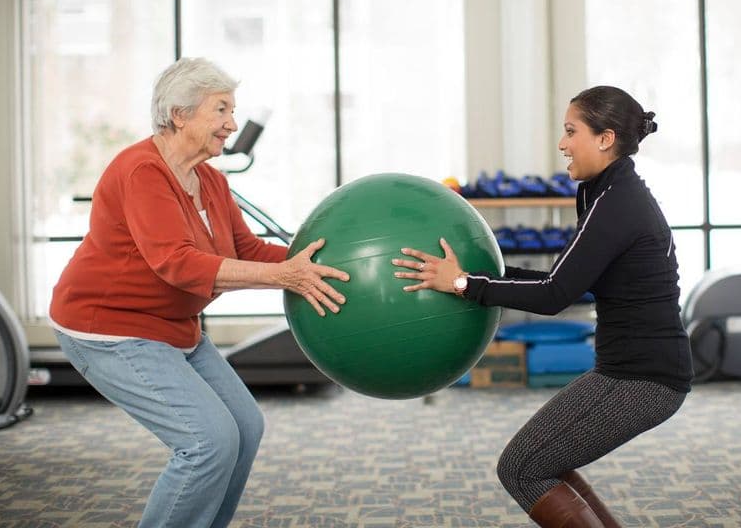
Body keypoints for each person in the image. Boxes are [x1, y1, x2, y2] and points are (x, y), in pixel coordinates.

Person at [49, 57, 349, 528]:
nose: (232, 124)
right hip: (110, 327)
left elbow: (246, 248)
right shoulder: (141, 172)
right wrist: (284, 278)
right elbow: (178, 264)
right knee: (207, 442)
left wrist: (311, 261)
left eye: (232, 111)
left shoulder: (210, 178)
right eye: (221, 110)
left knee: (245, 429)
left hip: (174, 329)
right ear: (180, 115)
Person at [393, 85, 692, 528]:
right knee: (543, 462)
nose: (562, 144)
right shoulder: (603, 191)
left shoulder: (617, 203)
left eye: (572, 132)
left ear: (605, 138)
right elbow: (565, 282)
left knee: (522, 468)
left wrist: (461, 283)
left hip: (642, 379)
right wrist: (480, 272)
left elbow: (553, 297)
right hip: (630, 371)